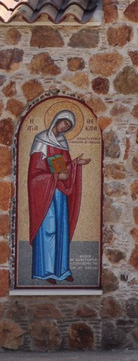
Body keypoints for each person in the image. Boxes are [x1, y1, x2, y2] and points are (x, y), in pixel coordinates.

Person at [27, 110, 90, 283]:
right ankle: (46, 271)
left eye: (68, 126)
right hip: (45, 193)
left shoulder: (62, 142)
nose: (65, 127)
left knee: (61, 228)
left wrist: (76, 163)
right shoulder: (41, 140)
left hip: (60, 193)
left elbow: (65, 166)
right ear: (57, 120)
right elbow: (34, 174)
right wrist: (54, 177)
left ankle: (62, 270)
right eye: (64, 123)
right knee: (48, 228)